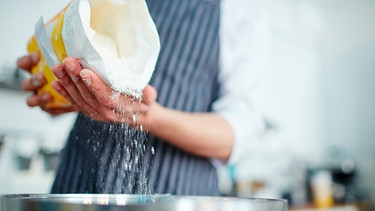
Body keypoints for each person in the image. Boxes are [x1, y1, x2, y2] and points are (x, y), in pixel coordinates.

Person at [17, 0, 266, 195]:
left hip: (175, 192)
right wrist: (63, 87)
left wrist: (148, 116)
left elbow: (236, 133)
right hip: (80, 183)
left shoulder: (240, 11)